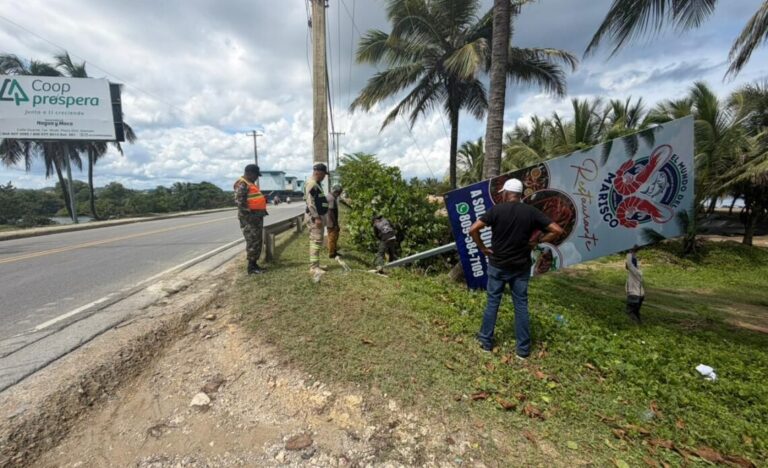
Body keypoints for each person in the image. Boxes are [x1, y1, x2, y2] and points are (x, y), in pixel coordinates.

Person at [469, 178, 564, 358]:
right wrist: (537, 241)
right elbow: (557, 230)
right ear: (520, 195)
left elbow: (473, 229)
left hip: (498, 265)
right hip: (520, 268)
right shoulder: (531, 212)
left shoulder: (496, 210)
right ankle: (522, 350)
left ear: (506, 193)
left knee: (492, 303)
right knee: (521, 305)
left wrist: (482, 248)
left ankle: (485, 341)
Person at [234, 164, 268, 274]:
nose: (256, 177)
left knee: (257, 241)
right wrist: (251, 217)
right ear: (249, 173)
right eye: (255, 175)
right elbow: (241, 203)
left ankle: (254, 264)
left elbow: (252, 199)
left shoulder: (249, 184)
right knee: (253, 241)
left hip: (256, 217)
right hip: (250, 219)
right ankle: (251, 268)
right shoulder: (242, 184)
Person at [305, 163, 329, 275]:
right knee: (316, 241)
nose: (324, 177)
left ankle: (316, 265)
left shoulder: (317, 184)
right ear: (318, 172)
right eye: (324, 174)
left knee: (317, 241)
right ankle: (314, 267)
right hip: (314, 217)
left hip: (318, 216)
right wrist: (316, 217)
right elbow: (310, 203)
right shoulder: (312, 183)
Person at [625, 246, 645, 324]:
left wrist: (629, 252)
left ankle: (634, 326)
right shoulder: (638, 271)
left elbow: (630, 265)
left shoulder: (635, 272)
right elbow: (633, 263)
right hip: (640, 295)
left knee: (630, 312)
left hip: (634, 295)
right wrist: (634, 253)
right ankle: (640, 325)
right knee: (636, 312)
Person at [326, 184, 343, 258]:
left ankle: (334, 251)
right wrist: (336, 224)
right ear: (336, 192)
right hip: (331, 222)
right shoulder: (332, 199)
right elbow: (331, 212)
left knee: (334, 237)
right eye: (339, 193)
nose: (339, 195)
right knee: (332, 238)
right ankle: (332, 254)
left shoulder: (329, 197)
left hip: (329, 221)